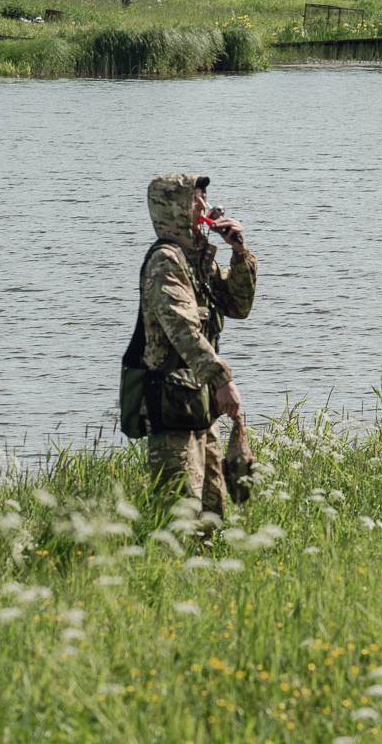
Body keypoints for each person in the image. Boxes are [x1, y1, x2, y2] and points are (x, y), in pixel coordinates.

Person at [140, 173, 256, 531]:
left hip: (200, 405)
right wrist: (223, 380)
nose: (205, 207)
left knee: (213, 513)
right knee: (179, 516)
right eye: (195, 201)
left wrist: (239, 252)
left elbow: (238, 306)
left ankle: (207, 579)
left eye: (204, 198)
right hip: (172, 408)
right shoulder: (166, 262)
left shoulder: (197, 261)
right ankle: (167, 579)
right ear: (173, 210)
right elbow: (184, 333)